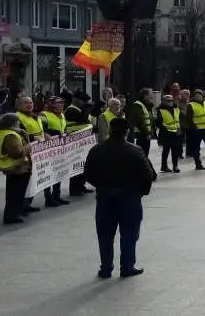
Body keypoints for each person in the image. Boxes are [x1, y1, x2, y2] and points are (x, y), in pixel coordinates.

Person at [83, 118, 156, 279]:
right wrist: (141, 192)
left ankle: (106, 268)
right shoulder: (135, 150)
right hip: (130, 198)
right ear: (127, 132)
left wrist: (101, 186)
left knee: (105, 235)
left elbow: (87, 174)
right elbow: (148, 174)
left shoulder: (96, 150)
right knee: (129, 234)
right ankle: (127, 266)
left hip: (105, 198)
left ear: (109, 130)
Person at [0, 113, 33, 224]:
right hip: (17, 169)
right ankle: (11, 216)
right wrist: (27, 148)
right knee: (15, 194)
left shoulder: (9, 133)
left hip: (18, 169)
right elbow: (16, 153)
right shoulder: (10, 135)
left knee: (16, 193)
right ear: (13, 122)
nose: (19, 123)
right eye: (17, 121)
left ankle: (15, 214)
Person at [40, 97, 71, 207]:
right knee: (48, 173)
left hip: (60, 148)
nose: (60, 105)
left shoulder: (62, 115)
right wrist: (45, 134)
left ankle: (56, 196)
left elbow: (63, 128)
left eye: (62, 103)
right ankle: (48, 198)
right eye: (58, 103)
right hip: (48, 148)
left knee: (58, 171)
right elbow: (40, 129)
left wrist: (66, 133)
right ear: (51, 104)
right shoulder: (44, 115)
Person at [66, 90, 95, 195]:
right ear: (75, 100)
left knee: (83, 166)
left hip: (83, 143)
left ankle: (81, 185)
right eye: (82, 101)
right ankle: (74, 188)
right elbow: (82, 119)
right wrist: (86, 108)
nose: (84, 103)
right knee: (76, 166)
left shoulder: (81, 109)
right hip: (75, 143)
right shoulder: (71, 110)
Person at [185, 90, 205, 169]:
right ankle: (198, 164)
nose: (198, 97)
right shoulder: (191, 105)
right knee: (196, 148)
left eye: (199, 95)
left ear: (202, 96)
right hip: (197, 130)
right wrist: (194, 127)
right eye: (196, 95)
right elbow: (188, 119)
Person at [155, 94, 182, 173]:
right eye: (168, 101)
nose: (170, 102)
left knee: (175, 150)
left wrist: (179, 129)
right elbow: (158, 122)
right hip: (166, 133)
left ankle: (175, 166)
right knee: (166, 150)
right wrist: (164, 129)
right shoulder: (160, 110)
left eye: (171, 100)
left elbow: (178, 119)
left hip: (176, 133)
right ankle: (164, 166)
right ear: (163, 102)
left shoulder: (176, 109)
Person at [127, 89, 154, 157]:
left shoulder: (146, 106)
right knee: (141, 156)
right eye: (150, 96)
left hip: (145, 135)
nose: (152, 97)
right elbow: (140, 121)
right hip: (140, 135)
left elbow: (149, 121)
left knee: (144, 155)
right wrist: (147, 133)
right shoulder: (138, 105)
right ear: (145, 96)